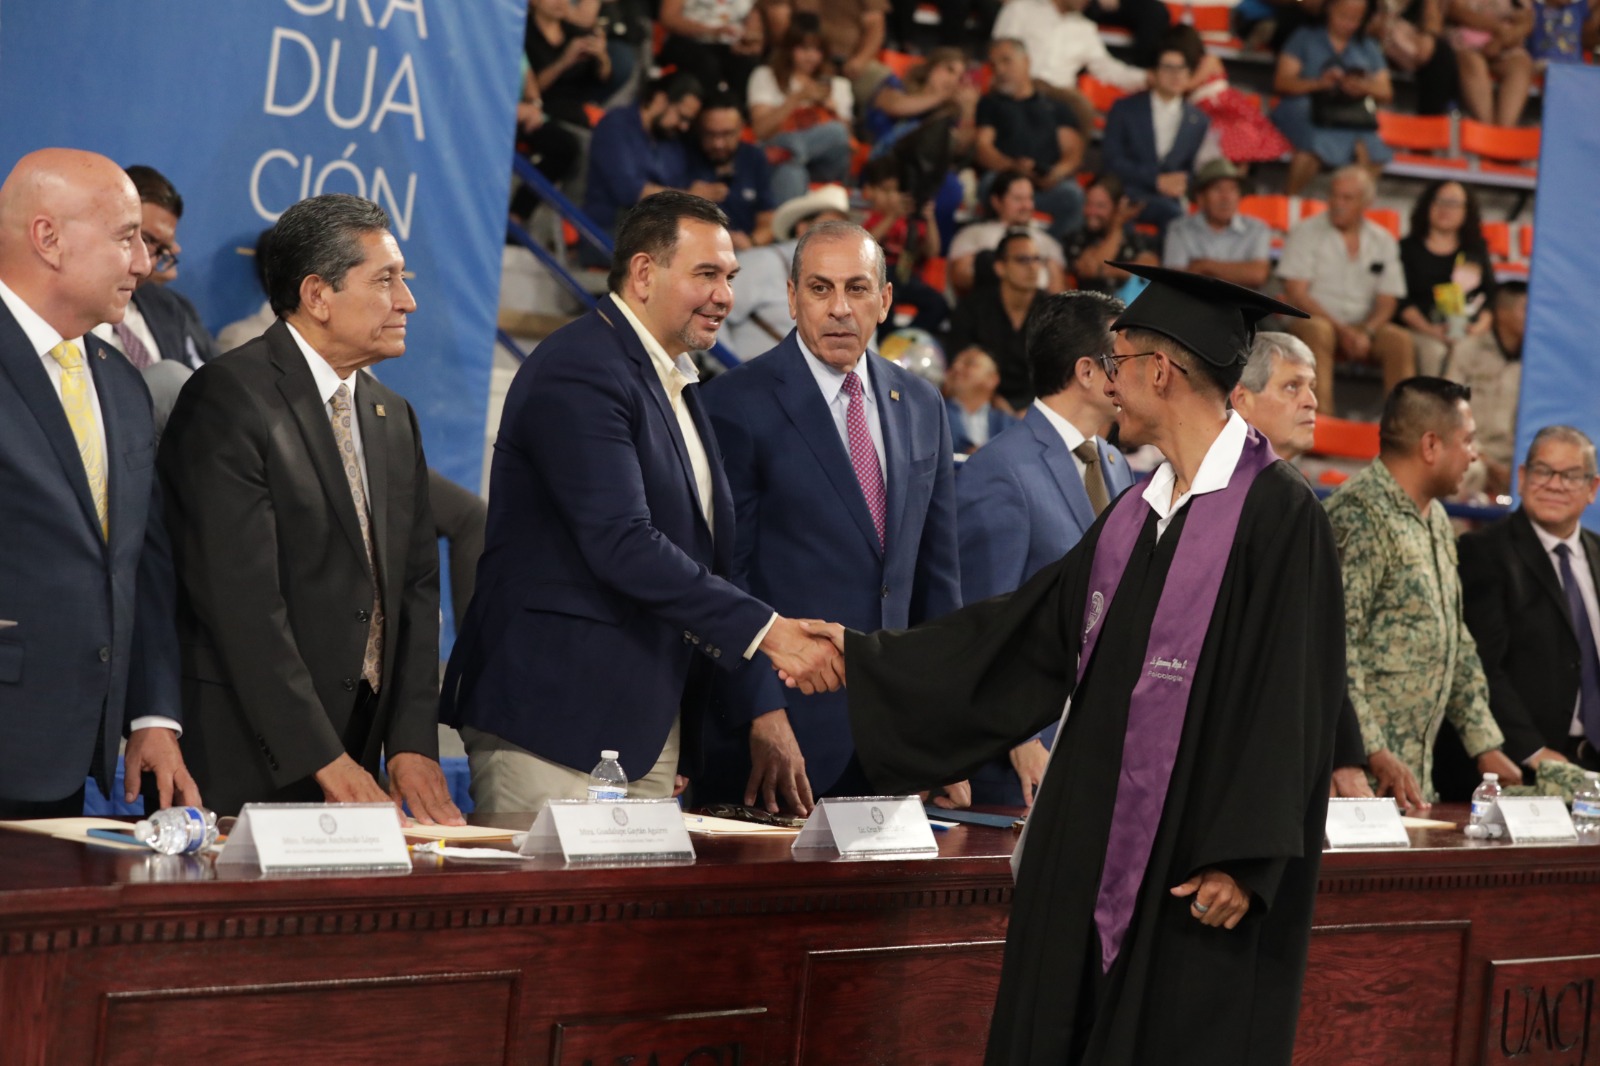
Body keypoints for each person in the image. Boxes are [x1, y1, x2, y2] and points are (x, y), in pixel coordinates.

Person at [837, 264, 1343, 1063]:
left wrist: (1244, 858)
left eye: (1121, 362)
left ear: (1161, 371)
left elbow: (1293, 700)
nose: (1111, 383)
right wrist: (859, 658)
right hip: (1085, 845)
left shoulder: (1278, 515)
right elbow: (1023, 633)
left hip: (1191, 863)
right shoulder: (1135, 515)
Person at [440, 192, 843, 814]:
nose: (725, 296)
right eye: (706, 274)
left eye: (730, 277)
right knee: (547, 886)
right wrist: (769, 633)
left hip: (641, 729)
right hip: (556, 722)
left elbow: (698, 555)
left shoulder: (677, 381)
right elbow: (621, 541)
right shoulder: (581, 367)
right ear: (644, 273)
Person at [157, 194, 461, 822]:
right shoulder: (229, 396)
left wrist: (410, 740)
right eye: (386, 280)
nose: (408, 301)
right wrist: (323, 757)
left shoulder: (392, 415)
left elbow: (415, 588)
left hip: (359, 747)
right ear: (318, 294)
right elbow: (242, 603)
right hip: (251, 750)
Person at [699, 219, 962, 814]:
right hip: (779, 741)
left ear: (885, 300)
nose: (840, 308)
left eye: (857, 288)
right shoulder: (733, 403)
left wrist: (942, 726)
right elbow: (725, 580)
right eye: (820, 289)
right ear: (792, 298)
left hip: (891, 741)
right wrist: (761, 712)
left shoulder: (923, 403)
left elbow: (937, 581)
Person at [0, 148, 198, 817]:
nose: (142, 263)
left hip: (68, 759)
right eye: (125, 238)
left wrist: (152, 714)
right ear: (48, 238)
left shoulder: (123, 382)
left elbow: (140, 563)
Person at [955, 290, 1132, 808]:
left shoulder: (1115, 462)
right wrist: (1020, 736)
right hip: (1021, 761)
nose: (1140, 375)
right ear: (1088, 371)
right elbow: (981, 624)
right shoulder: (999, 469)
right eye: (1125, 359)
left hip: (1096, 745)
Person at [1324, 377, 1516, 813]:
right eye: (1467, 440)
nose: (1474, 454)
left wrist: (1483, 742)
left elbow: (1455, 638)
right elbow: (1335, 649)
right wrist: (1371, 749)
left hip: (1413, 780)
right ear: (1430, 445)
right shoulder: (1358, 515)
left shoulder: (1437, 520)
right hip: (1358, 783)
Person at [1445, 427, 1600, 801]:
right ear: (1522, 476)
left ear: (1592, 488)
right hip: (1521, 769)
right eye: (1544, 471)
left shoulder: (1597, 553)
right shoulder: (1483, 551)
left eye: (1570, 475)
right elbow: (1480, 666)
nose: (1555, 484)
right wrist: (1532, 751)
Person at [1276, 165, 1412, 413]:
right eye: (1334, 195)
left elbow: (1388, 300)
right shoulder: (1305, 232)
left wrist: (1367, 331)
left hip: (1363, 327)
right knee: (1319, 330)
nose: (1338, 204)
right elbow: (1297, 293)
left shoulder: (1383, 240)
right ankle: (1320, 422)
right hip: (1315, 319)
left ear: (1366, 203)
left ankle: (1402, 427)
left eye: (1347, 198)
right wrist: (1343, 330)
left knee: (1399, 340)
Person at [92, 166, 219, 372]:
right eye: (145, 239)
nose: (146, 264)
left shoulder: (168, 307)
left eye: (160, 250)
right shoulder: (60, 312)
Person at [1271, 0, 1396, 196]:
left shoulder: (1367, 46)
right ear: (1329, 8)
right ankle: (1289, 200)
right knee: (1312, 146)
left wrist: (1361, 86)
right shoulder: (1304, 37)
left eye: (1356, 19)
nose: (1348, 24)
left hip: (1348, 114)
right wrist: (1319, 83)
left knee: (1370, 150)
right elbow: (1282, 82)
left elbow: (1386, 91)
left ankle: (1354, 205)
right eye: (1343, 16)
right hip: (1307, 109)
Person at [974, 38, 1086, 243]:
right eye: (994, 65)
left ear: (1026, 61)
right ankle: (1001, 246)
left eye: (1006, 61)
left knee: (1073, 195)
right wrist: (1013, 168)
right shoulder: (990, 104)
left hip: (1047, 184)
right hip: (1007, 181)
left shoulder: (1057, 106)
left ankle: (1050, 250)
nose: (1000, 70)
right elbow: (983, 147)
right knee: (989, 184)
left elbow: (1073, 152)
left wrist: (1054, 174)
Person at [724, 184, 850, 360]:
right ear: (802, 228)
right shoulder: (764, 261)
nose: (838, 237)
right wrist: (729, 369)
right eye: (830, 227)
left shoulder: (846, 278)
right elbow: (715, 315)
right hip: (752, 374)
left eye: (844, 231)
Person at [583, 73, 714, 237]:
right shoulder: (616, 125)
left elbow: (678, 184)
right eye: (681, 117)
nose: (684, 127)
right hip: (608, 231)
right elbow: (629, 192)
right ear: (660, 100)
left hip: (655, 233)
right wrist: (689, 197)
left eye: (689, 121)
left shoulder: (671, 141)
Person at [990, 0, 1150, 133]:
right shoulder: (1019, 9)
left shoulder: (1085, 28)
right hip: (1019, 85)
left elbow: (1107, 68)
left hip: (1059, 95)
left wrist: (1146, 78)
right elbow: (999, 52)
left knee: (1082, 106)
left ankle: (1070, 160)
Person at [1101, 42, 1210, 236]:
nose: (1176, 75)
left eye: (1182, 69)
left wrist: (1182, 183)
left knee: (1179, 219)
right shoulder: (1124, 109)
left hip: (1170, 201)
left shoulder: (1199, 120)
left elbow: (1195, 170)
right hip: (1126, 191)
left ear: (1189, 74)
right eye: (1168, 68)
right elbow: (1111, 160)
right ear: (1153, 73)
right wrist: (1155, 180)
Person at [746, 20, 856, 205]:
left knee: (836, 131)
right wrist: (797, 98)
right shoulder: (766, 76)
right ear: (789, 49)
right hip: (777, 160)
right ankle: (793, 156)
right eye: (804, 49)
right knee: (791, 171)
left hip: (825, 165)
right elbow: (761, 131)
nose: (810, 56)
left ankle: (791, 151)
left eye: (817, 50)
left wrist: (831, 110)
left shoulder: (838, 84)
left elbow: (845, 141)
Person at [1396, 179, 1495, 378]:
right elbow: (1400, 301)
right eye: (1439, 201)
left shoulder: (1475, 250)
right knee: (1435, 352)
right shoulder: (1407, 248)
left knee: (1474, 351)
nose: (1445, 209)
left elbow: (1491, 296)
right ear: (1427, 205)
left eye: (1454, 203)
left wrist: (1477, 328)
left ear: (1467, 211)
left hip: (1467, 330)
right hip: (1422, 329)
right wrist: (1431, 330)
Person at [945, 229, 1046, 409]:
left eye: (1036, 259)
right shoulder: (972, 307)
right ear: (1000, 267)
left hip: (1037, 405)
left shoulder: (1053, 311)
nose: (1032, 267)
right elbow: (959, 363)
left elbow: (1059, 373)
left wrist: (1031, 409)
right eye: (1022, 260)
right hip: (981, 403)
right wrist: (995, 402)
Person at [1165, 25, 1293, 165]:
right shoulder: (1182, 68)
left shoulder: (1209, 59)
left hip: (1226, 109)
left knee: (1245, 137)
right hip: (1203, 114)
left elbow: (1190, 84)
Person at [1444, 281, 1524, 498]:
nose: (1532, 317)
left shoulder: (1538, 363)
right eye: (1525, 309)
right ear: (1503, 312)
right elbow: (1448, 410)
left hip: (1514, 460)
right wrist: (1482, 457)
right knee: (1469, 471)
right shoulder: (1468, 351)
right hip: (1471, 451)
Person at [859, 156, 947, 339]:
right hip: (878, 278)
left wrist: (929, 218)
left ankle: (904, 338)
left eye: (898, 191)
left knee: (938, 303)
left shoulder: (912, 222)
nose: (894, 197)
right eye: (887, 191)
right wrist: (892, 216)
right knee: (884, 299)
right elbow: (864, 245)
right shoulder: (872, 218)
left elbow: (933, 251)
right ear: (870, 191)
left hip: (907, 278)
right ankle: (886, 339)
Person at [948, 170, 1068, 296]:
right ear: (996, 202)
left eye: (1030, 198)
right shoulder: (972, 234)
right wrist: (1010, 277)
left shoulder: (1048, 242)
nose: (1026, 206)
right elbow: (960, 279)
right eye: (1018, 199)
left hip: (1038, 305)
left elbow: (1058, 293)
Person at [1161, 158, 1272, 290]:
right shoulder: (1179, 228)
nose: (1226, 197)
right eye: (1217, 189)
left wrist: (1203, 266)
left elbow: (1257, 275)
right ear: (1201, 198)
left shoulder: (1257, 228)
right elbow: (1175, 280)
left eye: (1232, 189)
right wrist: (1238, 272)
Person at [686, 97, 776, 250]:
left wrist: (751, 242)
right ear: (699, 129)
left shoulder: (754, 157)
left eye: (727, 134)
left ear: (741, 128)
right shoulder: (685, 155)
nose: (718, 144)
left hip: (745, 252)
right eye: (710, 134)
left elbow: (768, 220)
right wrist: (689, 197)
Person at [763, 0, 892, 106]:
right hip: (800, 57)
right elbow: (778, 21)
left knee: (886, 86)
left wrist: (860, 60)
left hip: (851, 60)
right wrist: (803, 54)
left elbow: (875, 25)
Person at [523, 0, 625, 129]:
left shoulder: (574, 32)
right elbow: (531, 88)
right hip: (542, 110)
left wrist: (602, 56)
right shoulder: (524, 36)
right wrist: (564, 61)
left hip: (578, 108)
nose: (559, 2)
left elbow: (603, 77)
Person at [1064, 173, 1160, 297]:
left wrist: (1109, 271)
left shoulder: (1135, 239)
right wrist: (1117, 227)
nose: (1092, 212)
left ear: (1117, 206)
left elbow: (1151, 270)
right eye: (1088, 204)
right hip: (1093, 305)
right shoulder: (1076, 238)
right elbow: (1090, 269)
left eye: (1100, 206)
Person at [1230, 331, 1320, 462]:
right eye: (1292, 386)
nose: (1312, 402)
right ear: (1241, 400)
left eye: (1311, 387)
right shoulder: (1213, 472)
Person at [1446, 0, 1534, 126]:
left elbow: (1526, 20)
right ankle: (1486, 128)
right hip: (1466, 43)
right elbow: (1456, 11)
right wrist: (1497, 27)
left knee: (1521, 66)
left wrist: (1501, 41)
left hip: (1504, 43)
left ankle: (1504, 131)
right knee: (1473, 63)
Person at [657, 0, 765, 102]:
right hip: (688, 40)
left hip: (731, 43)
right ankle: (709, 108)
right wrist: (711, 31)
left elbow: (756, 21)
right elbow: (669, 18)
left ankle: (737, 110)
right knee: (707, 64)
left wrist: (749, 42)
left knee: (749, 65)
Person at [944, 347, 1012, 453]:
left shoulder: (1008, 423)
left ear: (992, 379)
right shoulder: (933, 414)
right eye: (953, 364)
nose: (956, 367)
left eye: (969, 363)